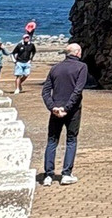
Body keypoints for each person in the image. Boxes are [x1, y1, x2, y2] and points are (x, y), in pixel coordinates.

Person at [41, 43, 88, 186]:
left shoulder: (55, 68)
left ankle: (48, 175)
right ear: (77, 52)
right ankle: (66, 173)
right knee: (71, 140)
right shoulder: (81, 67)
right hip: (72, 110)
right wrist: (66, 108)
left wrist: (53, 107)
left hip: (56, 109)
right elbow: (77, 90)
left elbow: (45, 91)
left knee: (52, 141)